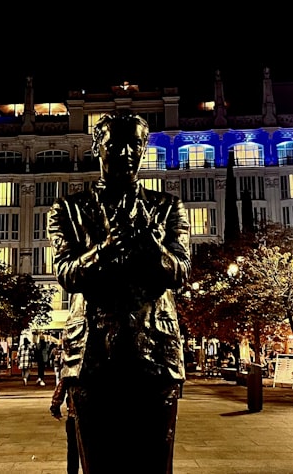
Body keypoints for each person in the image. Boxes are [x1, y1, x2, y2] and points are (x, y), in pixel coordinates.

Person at [48, 110, 190, 472]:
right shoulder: (68, 209)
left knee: (156, 466)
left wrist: (151, 248)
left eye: (136, 145)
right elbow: (66, 273)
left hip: (156, 357)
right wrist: (104, 250)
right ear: (98, 147)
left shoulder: (167, 207)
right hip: (92, 358)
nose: (128, 152)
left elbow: (181, 272)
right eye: (117, 144)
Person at [50, 377, 79, 474]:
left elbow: (60, 389)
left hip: (74, 415)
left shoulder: (71, 365)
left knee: (73, 450)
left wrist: (55, 407)